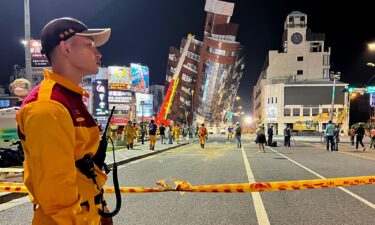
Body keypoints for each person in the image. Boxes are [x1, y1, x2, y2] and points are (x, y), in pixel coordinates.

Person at [15, 17, 113, 224]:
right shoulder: (47, 107)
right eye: (90, 45)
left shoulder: (69, 98)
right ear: (66, 48)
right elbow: (57, 194)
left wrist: (100, 207)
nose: (98, 53)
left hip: (87, 214)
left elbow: (82, 169)